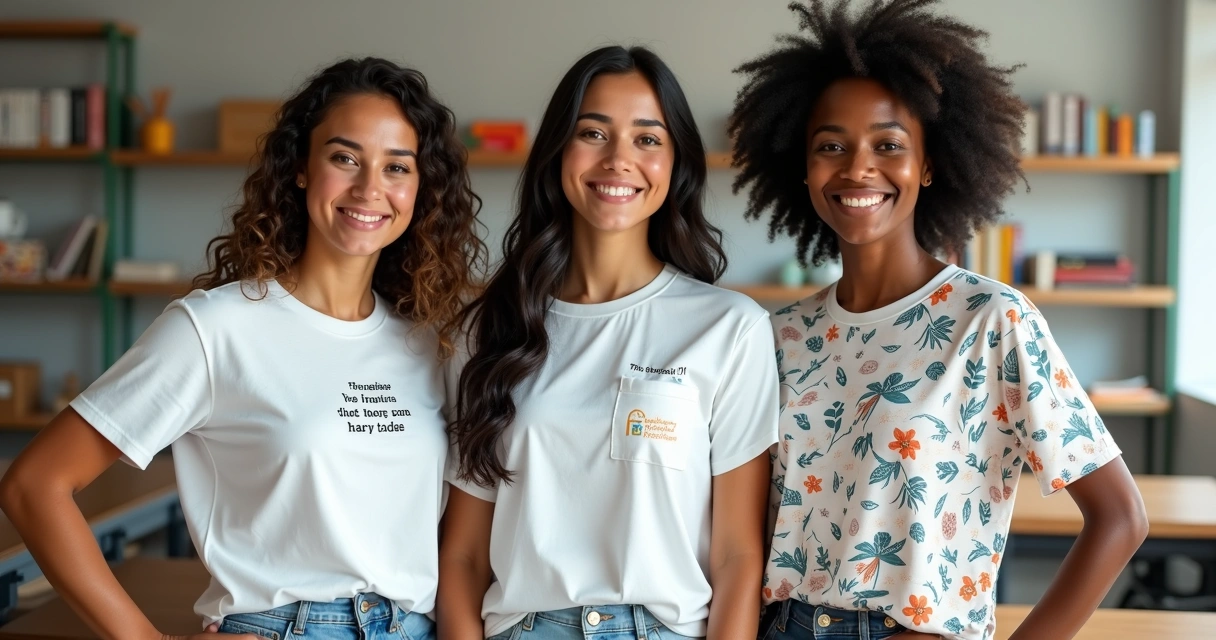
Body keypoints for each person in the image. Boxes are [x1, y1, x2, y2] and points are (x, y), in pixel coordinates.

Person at [0, 56, 485, 640]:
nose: (369, 188)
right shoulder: (216, 328)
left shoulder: (429, 343)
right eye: (345, 157)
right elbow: (34, 486)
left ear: (420, 188)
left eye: (397, 167)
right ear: (302, 168)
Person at [727, 2, 1149, 639]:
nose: (857, 166)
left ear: (927, 164)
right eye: (830, 146)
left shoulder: (991, 321)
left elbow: (1121, 518)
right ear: (805, 168)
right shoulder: (778, 336)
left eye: (888, 145)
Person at [437, 45, 779, 640]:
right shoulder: (487, 330)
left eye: (648, 139)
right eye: (593, 132)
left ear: (676, 164)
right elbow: (463, 557)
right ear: (558, 152)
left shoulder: (728, 328)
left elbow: (738, 557)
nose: (619, 159)